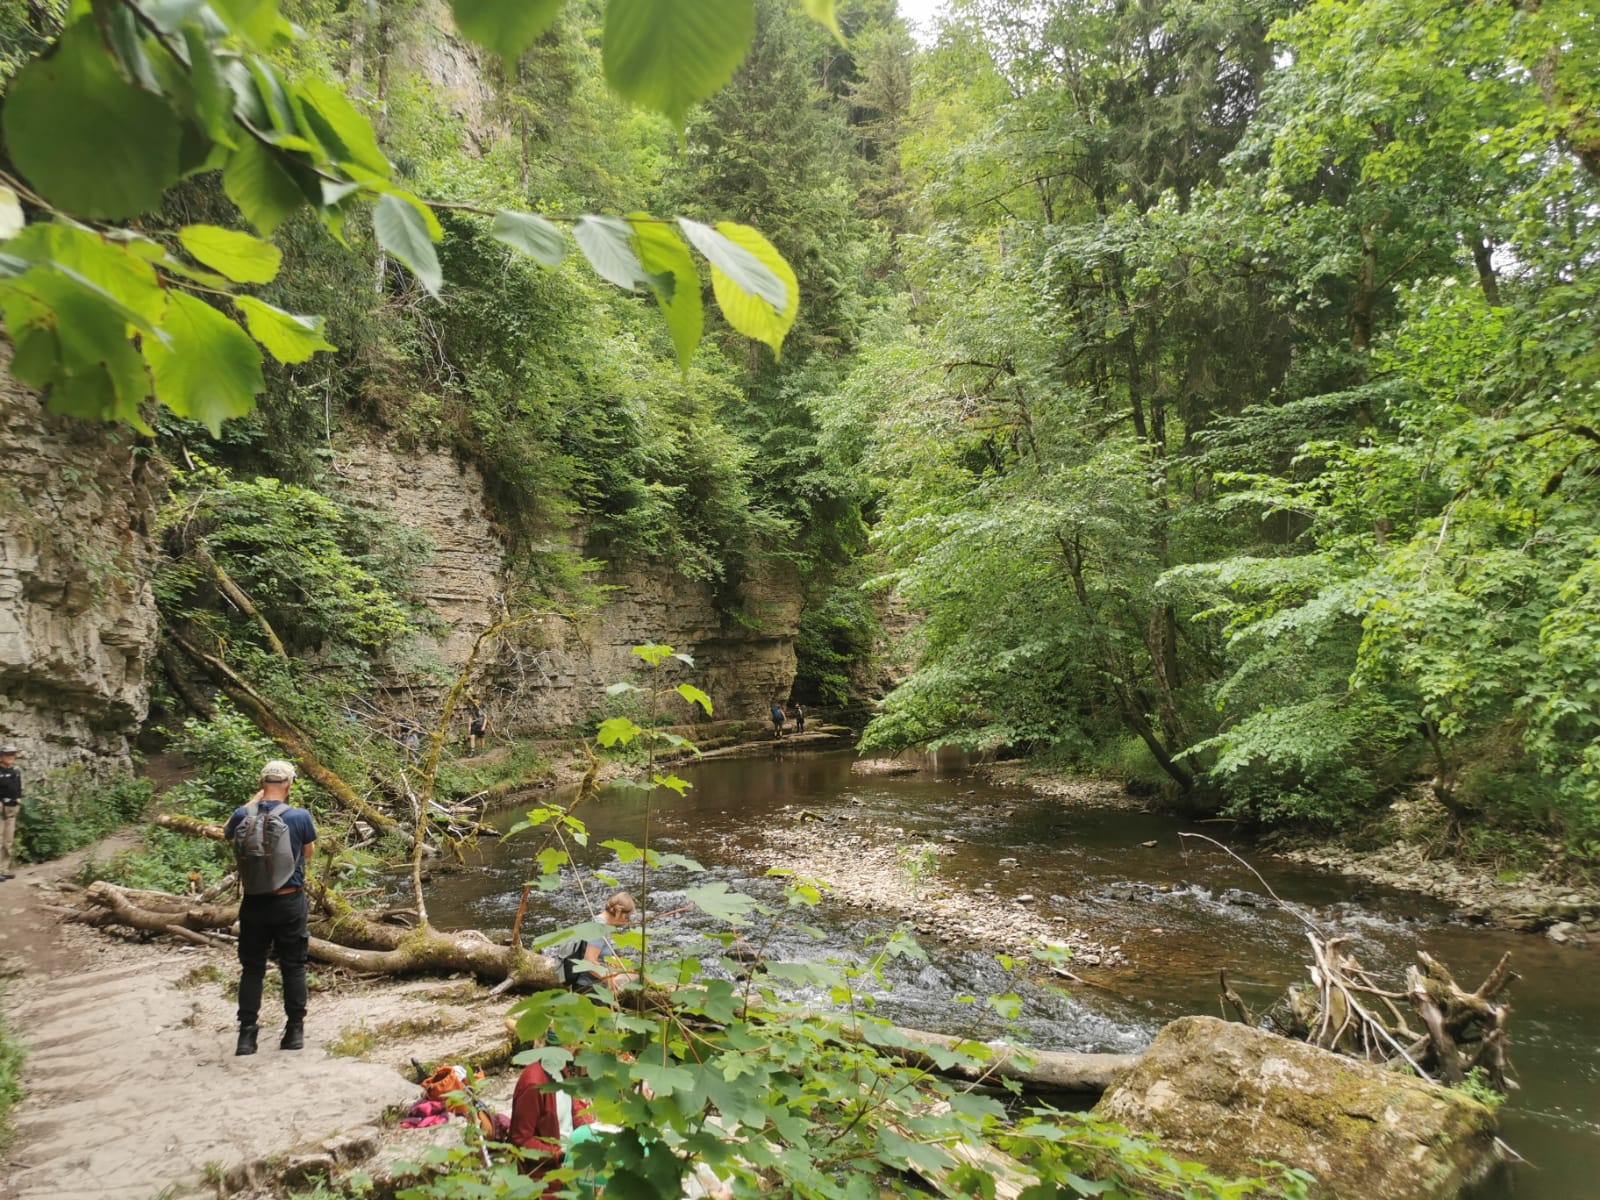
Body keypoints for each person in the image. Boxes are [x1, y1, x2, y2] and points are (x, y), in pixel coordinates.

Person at [223, 759, 317, 1055]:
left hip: (253, 902)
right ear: (289, 785)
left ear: (261, 784)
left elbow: (227, 833)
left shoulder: (242, 814)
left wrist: (253, 802)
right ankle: (294, 1032)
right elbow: (308, 854)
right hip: (289, 901)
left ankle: (246, 1037)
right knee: (294, 966)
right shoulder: (299, 816)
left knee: (252, 969)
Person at [572, 891, 638, 995]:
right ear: (620, 913)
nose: (627, 922)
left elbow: (599, 954)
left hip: (595, 984)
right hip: (590, 987)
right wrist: (609, 980)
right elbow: (589, 961)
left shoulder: (600, 922)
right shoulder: (600, 927)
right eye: (627, 918)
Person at [0, 744, 20, 882]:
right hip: (1, 808)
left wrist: (19, 797)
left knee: (8, 841)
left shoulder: (15, 771)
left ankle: (3, 869)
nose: (11, 757)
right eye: (8, 754)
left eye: (13, 754)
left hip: (12, 808)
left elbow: (18, 786)